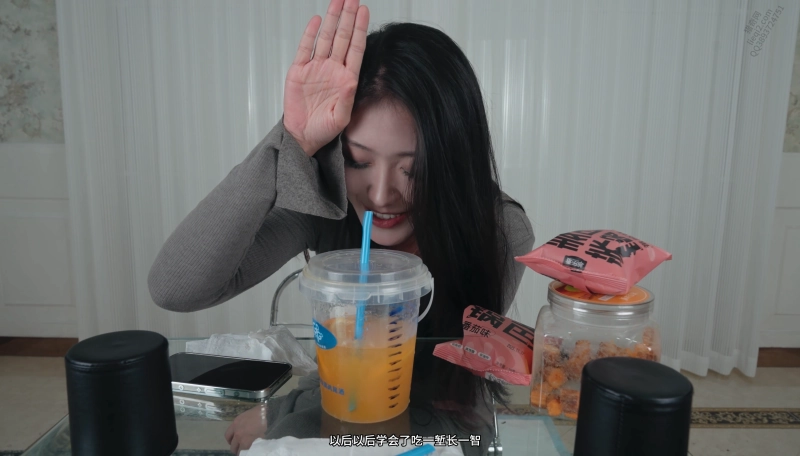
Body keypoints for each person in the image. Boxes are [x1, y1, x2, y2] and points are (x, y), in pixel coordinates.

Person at [147, 0, 535, 452]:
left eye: (414, 170)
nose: (381, 194)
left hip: (448, 429)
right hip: (340, 409)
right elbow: (176, 288)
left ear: (453, 161)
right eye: (357, 160)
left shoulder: (498, 230)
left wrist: (283, 409)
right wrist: (290, 139)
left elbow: (431, 381)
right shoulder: (327, 205)